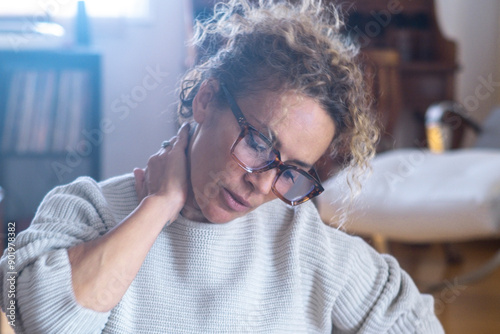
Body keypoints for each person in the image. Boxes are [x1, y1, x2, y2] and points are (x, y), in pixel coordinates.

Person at [0, 0, 444, 333]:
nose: (263, 184)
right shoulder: (87, 208)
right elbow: (39, 320)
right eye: (257, 143)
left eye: (292, 171)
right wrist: (160, 205)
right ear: (206, 101)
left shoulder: (301, 241)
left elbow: (413, 320)